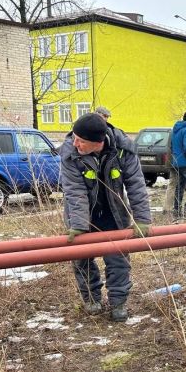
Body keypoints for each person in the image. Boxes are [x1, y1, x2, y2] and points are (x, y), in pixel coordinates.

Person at [60, 112, 151, 322]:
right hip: (82, 216)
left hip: (114, 213)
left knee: (118, 258)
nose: (75, 143)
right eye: (74, 137)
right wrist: (79, 225)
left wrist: (142, 219)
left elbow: (136, 184)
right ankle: (91, 298)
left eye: (81, 141)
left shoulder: (123, 150)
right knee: (82, 259)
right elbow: (74, 191)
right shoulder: (70, 153)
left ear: (98, 142)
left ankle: (118, 302)